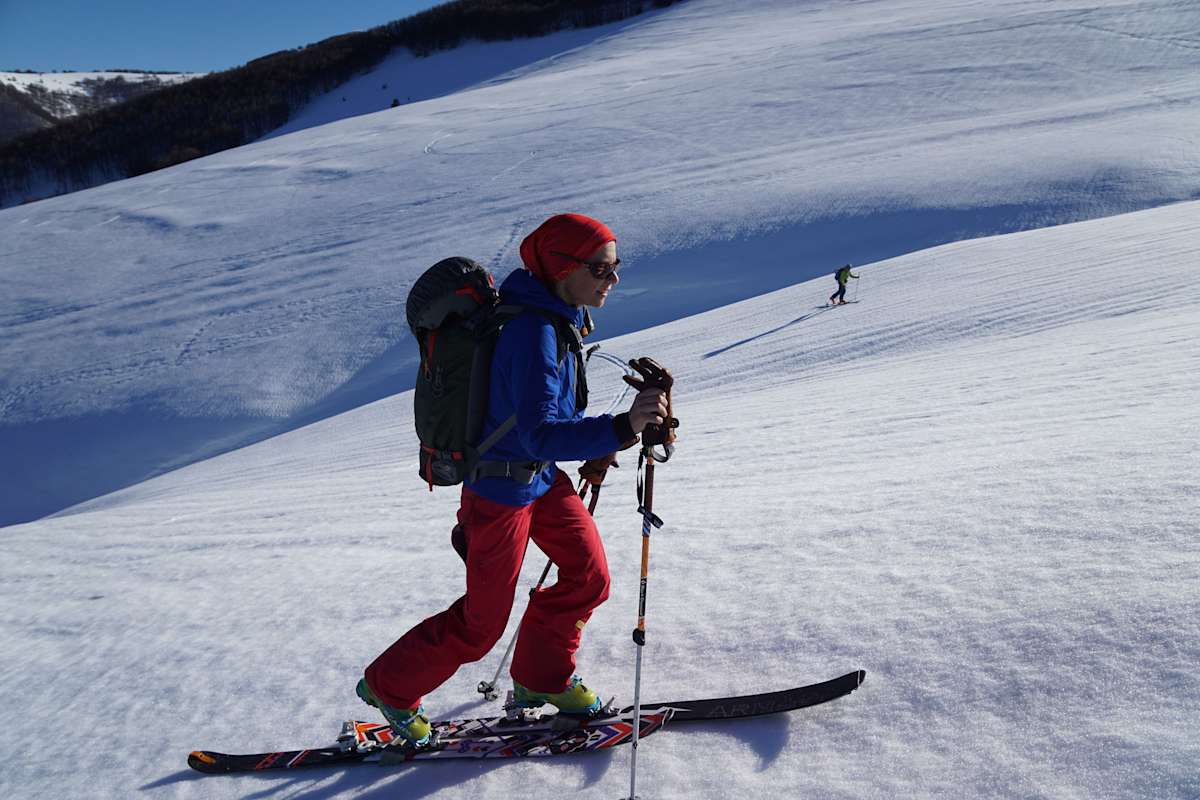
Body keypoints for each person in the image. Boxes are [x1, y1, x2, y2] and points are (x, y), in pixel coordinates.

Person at [357, 213, 669, 745]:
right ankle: (389, 687)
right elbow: (539, 433)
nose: (612, 280)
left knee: (587, 575)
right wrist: (619, 429)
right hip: (499, 493)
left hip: (540, 481)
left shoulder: (556, 317)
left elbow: (547, 426)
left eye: (616, 268)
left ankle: (540, 679)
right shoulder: (533, 332)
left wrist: (598, 445)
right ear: (562, 267)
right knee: (481, 625)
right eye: (600, 268)